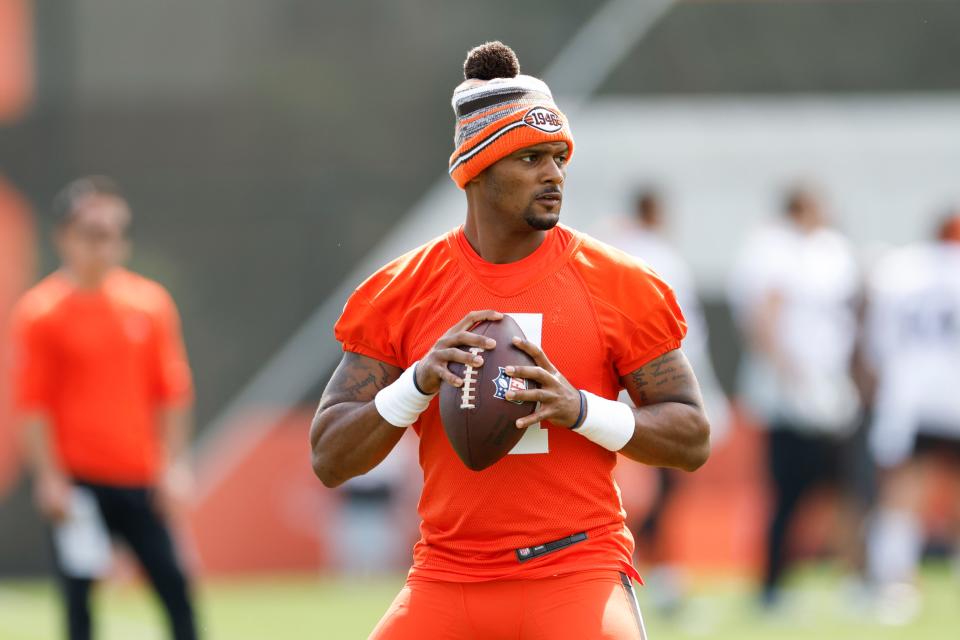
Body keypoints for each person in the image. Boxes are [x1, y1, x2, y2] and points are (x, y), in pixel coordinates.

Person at [310, 42, 711, 640]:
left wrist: (578, 409)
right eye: (529, 158)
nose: (553, 174)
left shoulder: (621, 283)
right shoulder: (401, 290)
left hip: (577, 566)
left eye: (558, 157)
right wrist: (415, 384)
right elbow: (329, 457)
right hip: (446, 574)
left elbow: (691, 437)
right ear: (475, 169)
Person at [10, 176, 198, 640]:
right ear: (64, 238)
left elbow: (171, 391)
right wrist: (50, 479)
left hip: (141, 477)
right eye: (93, 232)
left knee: (175, 587)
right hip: (78, 486)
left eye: (115, 232)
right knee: (79, 599)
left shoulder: (149, 304)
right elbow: (33, 404)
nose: (106, 244)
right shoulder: (41, 312)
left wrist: (173, 466)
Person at [727, 186, 863, 608]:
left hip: (831, 388)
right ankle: (771, 586)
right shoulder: (772, 248)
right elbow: (765, 315)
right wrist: (789, 371)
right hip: (791, 395)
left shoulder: (830, 249)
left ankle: (853, 579)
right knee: (787, 493)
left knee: (845, 490)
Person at [598, 188, 732, 614]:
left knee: (641, 489)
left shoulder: (611, 250)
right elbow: (683, 333)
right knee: (657, 489)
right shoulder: (659, 257)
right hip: (656, 385)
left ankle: (652, 572)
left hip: (614, 389)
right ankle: (656, 574)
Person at [862, 210, 960, 623]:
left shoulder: (901, 270)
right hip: (954, 391)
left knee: (902, 490)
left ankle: (894, 581)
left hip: (910, 394)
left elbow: (877, 343)